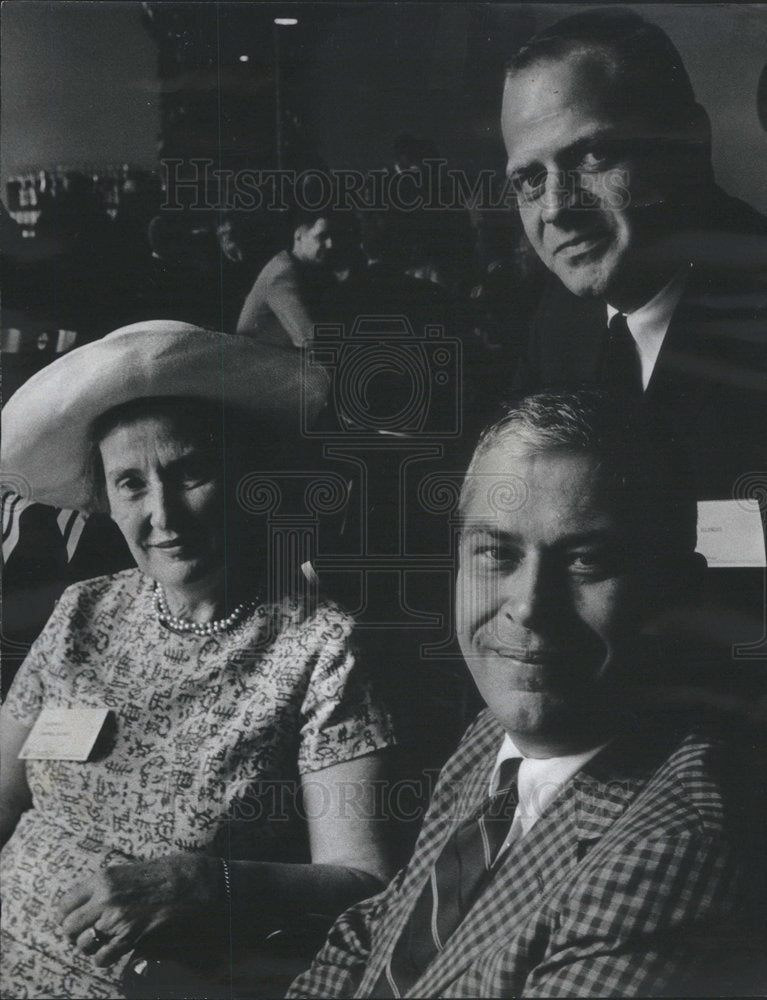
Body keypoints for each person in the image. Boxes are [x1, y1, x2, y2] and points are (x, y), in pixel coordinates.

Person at [287, 390, 767, 998]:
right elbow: (375, 928)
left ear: (675, 591)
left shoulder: (673, 851)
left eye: (587, 561)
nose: (530, 608)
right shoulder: (497, 730)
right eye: (497, 553)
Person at [0, 321, 399, 999]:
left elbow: (366, 884)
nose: (163, 514)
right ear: (105, 500)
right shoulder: (82, 611)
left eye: (191, 472)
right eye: (131, 483)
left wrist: (207, 882)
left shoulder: (320, 644)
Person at [503, 9, 767, 501]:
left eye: (594, 155)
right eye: (529, 179)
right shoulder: (561, 318)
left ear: (691, 143)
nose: (557, 208)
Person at [236, 208, 339, 347]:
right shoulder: (282, 274)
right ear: (299, 236)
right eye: (322, 236)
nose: (330, 244)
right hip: (257, 363)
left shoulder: (303, 267)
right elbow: (308, 339)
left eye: (331, 236)